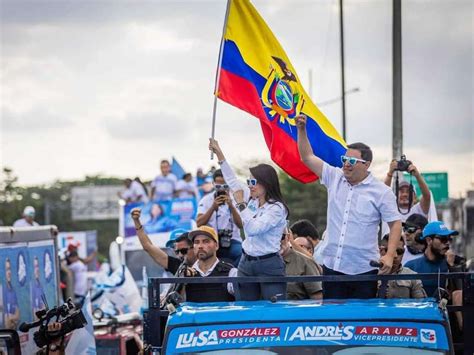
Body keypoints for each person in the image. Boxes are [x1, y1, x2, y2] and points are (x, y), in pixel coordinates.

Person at [296, 114, 401, 299]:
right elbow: (307, 157)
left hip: (363, 269)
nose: (346, 164)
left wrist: (390, 255)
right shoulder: (334, 176)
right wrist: (301, 130)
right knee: (333, 320)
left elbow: (395, 224)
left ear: (366, 164)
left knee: (360, 322)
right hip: (332, 266)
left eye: (352, 161)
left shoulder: (381, 191)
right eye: (344, 159)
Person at [209, 138, 288, 301]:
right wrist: (219, 153)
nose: (250, 185)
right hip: (246, 262)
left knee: (274, 309)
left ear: (266, 183)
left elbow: (252, 229)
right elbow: (232, 181)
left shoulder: (277, 208)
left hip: (269, 264)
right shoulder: (252, 201)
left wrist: (240, 204)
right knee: (244, 307)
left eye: (253, 182)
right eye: (249, 181)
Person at [196, 169, 244, 266]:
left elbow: (240, 225)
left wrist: (231, 206)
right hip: (212, 240)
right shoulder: (206, 200)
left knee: (244, 253)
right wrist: (212, 208)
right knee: (201, 253)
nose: (221, 189)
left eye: (225, 186)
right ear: (213, 184)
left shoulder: (236, 199)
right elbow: (199, 223)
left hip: (233, 240)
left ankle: (233, 275)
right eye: (218, 186)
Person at [131, 208, 196, 274]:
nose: (180, 255)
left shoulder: (204, 262)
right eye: (176, 252)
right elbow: (148, 246)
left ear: (194, 247)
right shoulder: (178, 266)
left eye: (183, 251)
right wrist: (136, 221)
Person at [183, 226, 236, 302]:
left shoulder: (231, 272)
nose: (200, 246)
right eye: (196, 242)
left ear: (216, 246)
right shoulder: (184, 275)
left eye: (206, 241)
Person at [377, 235, 426, 299]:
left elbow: (420, 303)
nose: (395, 256)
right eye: (390, 251)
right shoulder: (370, 274)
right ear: (381, 251)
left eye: (399, 251)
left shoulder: (412, 276)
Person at [280, 232, 322, 300]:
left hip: (296, 309)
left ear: (288, 237)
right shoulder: (260, 263)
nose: (277, 241)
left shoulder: (305, 262)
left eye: (281, 237)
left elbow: (317, 296)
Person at [4, 258, 20, 329]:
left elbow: (18, 315)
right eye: (7, 269)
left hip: (13, 331)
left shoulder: (13, 291)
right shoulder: (2, 291)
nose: (9, 272)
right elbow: (6, 322)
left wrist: (10, 318)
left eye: (10, 269)